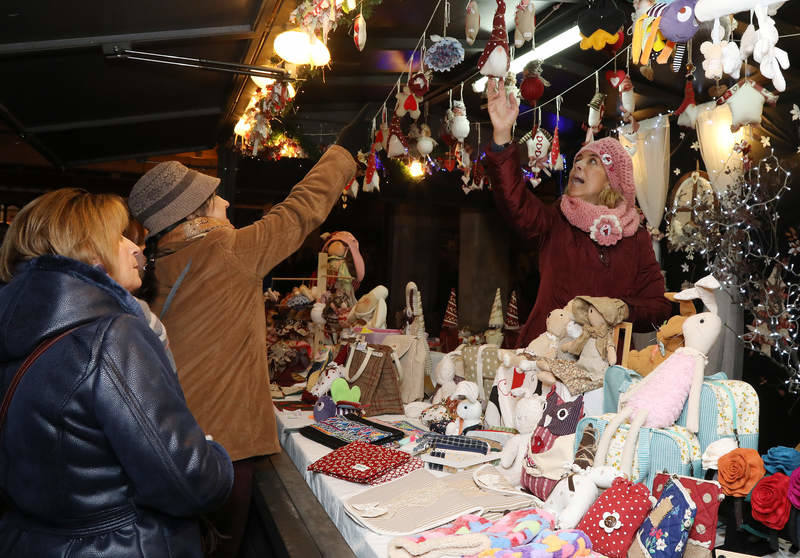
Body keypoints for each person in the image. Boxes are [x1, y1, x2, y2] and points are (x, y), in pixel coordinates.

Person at [126, 112, 363, 557]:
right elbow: (300, 209)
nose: (227, 205)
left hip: (174, 441)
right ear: (194, 214)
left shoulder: (163, 264)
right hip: (221, 452)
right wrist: (343, 151)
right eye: (215, 200)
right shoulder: (224, 250)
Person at [0, 188, 233, 558]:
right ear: (87, 248)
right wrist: (214, 454)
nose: (134, 248)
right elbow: (187, 480)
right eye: (119, 236)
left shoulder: (20, 327)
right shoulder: (111, 334)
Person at [485, 78, 671, 348]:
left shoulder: (636, 238)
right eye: (578, 161)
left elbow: (658, 306)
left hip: (605, 367)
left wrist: (621, 309)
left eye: (592, 162)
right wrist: (502, 135)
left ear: (612, 182)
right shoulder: (555, 220)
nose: (578, 167)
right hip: (546, 357)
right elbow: (514, 201)